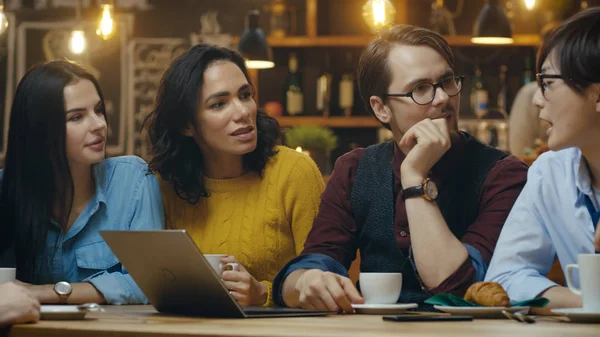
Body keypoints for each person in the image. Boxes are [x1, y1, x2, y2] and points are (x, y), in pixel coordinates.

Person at [273, 24, 529, 313]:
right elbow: (315, 262)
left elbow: (459, 287)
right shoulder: (355, 169)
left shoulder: (504, 174)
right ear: (381, 108)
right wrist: (306, 281)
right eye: (420, 89)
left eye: (447, 81)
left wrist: (414, 179)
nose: (443, 97)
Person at [144, 44, 324, 307]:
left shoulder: (294, 172)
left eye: (245, 95)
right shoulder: (166, 187)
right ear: (186, 125)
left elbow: (324, 279)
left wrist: (263, 293)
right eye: (219, 104)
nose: (242, 112)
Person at [0, 60, 165, 305]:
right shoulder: (6, 189)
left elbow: (151, 281)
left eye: (98, 110)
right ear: (40, 130)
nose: (99, 124)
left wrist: (46, 292)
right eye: (77, 117)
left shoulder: (132, 179)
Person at [485, 7, 600, 313]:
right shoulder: (550, 173)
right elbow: (505, 277)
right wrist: (586, 304)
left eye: (547, 84)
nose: (536, 99)